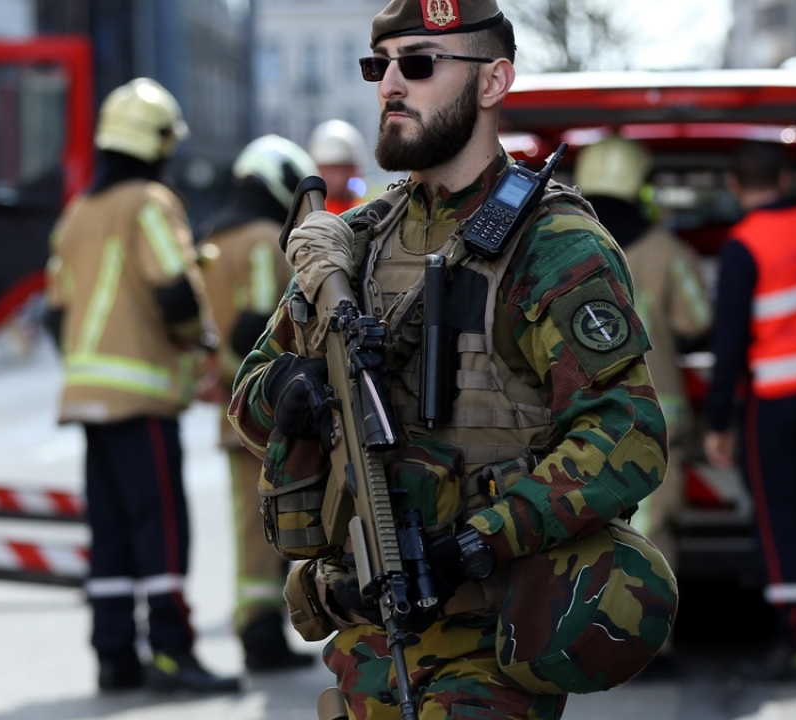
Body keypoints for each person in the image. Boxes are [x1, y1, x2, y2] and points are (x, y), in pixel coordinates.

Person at [228, 2, 673, 717]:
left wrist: (478, 539)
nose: (390, 85)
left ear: (493, 81)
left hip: (489, 652)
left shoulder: (551, 247)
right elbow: (248, 397)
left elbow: (627, 434)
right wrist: (289, 388)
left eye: (420, 64)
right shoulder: (355, 247)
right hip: (365, 650)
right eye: (380, 65)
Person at [44, 77, 240, 695]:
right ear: (157, 142)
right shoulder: (150, 202)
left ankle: (114, 656)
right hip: (142, 396)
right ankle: (172, 655)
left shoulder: (79, 210)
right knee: (161, 524)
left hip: (86, 396)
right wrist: (203, 343)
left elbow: (55, 311)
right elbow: (175, 288)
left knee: (109, 529)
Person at [704, 141, 796, 681]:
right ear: (786, 181)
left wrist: (718, 422)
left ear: (735, 188)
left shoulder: (744, 244)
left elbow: (729, 344)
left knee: (777, 521)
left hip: (776, 402)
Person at [574, 134, 713, 679]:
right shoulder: (666, 252)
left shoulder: (564, 250)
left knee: (582, 530)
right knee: (650, 536)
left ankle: (581, 642)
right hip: (656, 419)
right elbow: (696, 321)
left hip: (578, 422)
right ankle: (648, 647)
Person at [196, 134, 320, 671]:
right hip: (271, 415)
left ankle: (258, 624)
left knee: (248, 522)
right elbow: (267, 329)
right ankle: (262, 634)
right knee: (268, 526)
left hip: (230, 412)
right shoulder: (267, 240)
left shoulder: (214, 241)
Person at [308, 119, 368, 214]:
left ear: (352, 171)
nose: (328, 177)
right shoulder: (308, 215)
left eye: (335, 170)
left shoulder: (365, 214)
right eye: (325, 170)